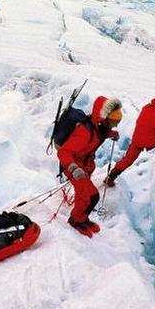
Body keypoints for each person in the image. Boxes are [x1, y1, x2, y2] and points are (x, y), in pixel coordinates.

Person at [58, 96, 122, 237]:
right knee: (91, 196)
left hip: (83, 166)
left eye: (117, 122)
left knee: (85, 195)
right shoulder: (85, 132)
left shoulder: (97, 127)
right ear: (104, 118)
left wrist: (112, 134)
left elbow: (100, 134)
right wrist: (73, 168)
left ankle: (82, 218)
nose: (114, 125)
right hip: (74, 167)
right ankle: (75, 220)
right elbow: (64, 152)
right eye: (113, 122)